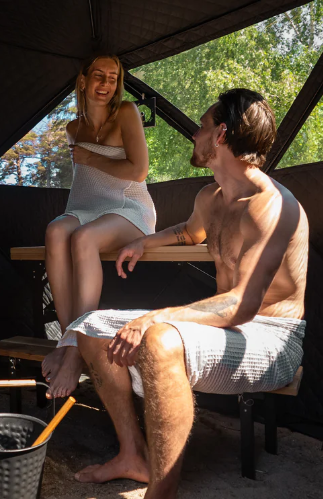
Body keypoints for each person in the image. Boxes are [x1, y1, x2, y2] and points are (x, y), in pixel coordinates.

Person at [57, 88, 308, 498]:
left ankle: (163, 492)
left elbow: (243, 305)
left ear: (221, 135)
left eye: (202, 126)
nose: (194, 133)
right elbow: (189, 233)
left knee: (159, 338)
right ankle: (132, 455)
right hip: (226, 330)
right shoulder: (210, 197)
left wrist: (154, 318)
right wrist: (144, 242)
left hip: (271, 337)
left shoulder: (270, 206)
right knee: (90, 326)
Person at [42, 55, 156, 399]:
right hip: (87, 208)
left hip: (129, 209)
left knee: (84, 238)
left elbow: (138, 170)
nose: (106, 84)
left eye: (112, 77)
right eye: (98, 76)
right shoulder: (73, 129)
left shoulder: (127, 113)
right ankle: (69, 341)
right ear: (83, 80)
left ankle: (81, 345)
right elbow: (86, 186)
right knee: (55, 231)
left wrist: (91, 157)